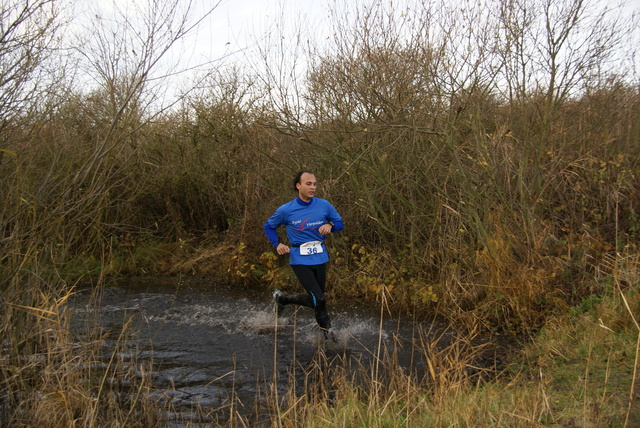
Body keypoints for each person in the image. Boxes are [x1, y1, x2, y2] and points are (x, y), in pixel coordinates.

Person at [263, 170, 344, 341]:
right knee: (319, 298)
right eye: (309, 184)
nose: (313, 187)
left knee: (318, 299)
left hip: (320, 256)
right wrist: (277, 244)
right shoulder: (286, 210)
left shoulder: (324, 205)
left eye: (314, 184)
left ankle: (283, 299)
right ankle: (328, 335)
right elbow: (268, 226)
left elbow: (339, 223)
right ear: (298, 186)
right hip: (299, 258)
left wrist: (330, 225)